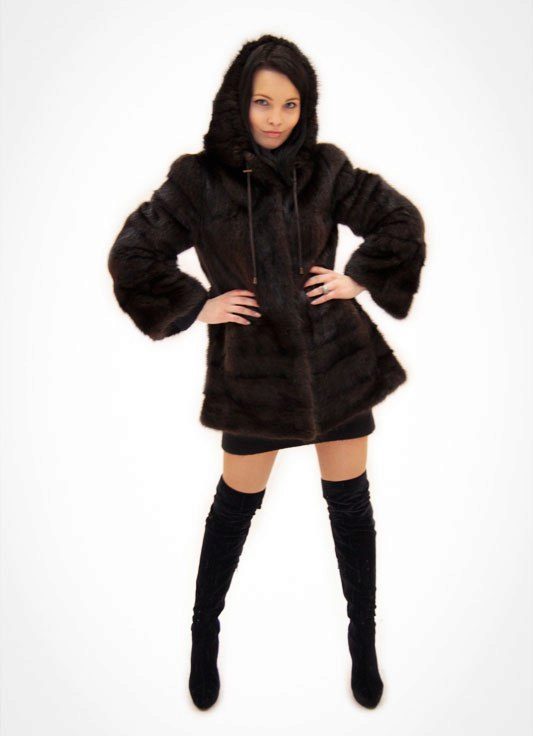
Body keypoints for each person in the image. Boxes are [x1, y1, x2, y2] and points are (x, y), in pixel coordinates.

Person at [107, 34, 426, 711]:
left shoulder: (325, 168)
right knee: (234, 508)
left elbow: (398, 220)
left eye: (290, 104)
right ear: (238, 102)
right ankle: (203, 635)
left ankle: (364, 643)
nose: (276, 118)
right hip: (253, 376)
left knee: (351, 508)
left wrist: (358, 279)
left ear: (305, 107)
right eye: (262, 102)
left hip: (337, 366)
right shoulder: (197, 180)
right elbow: (134, 252)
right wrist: (198, 305)